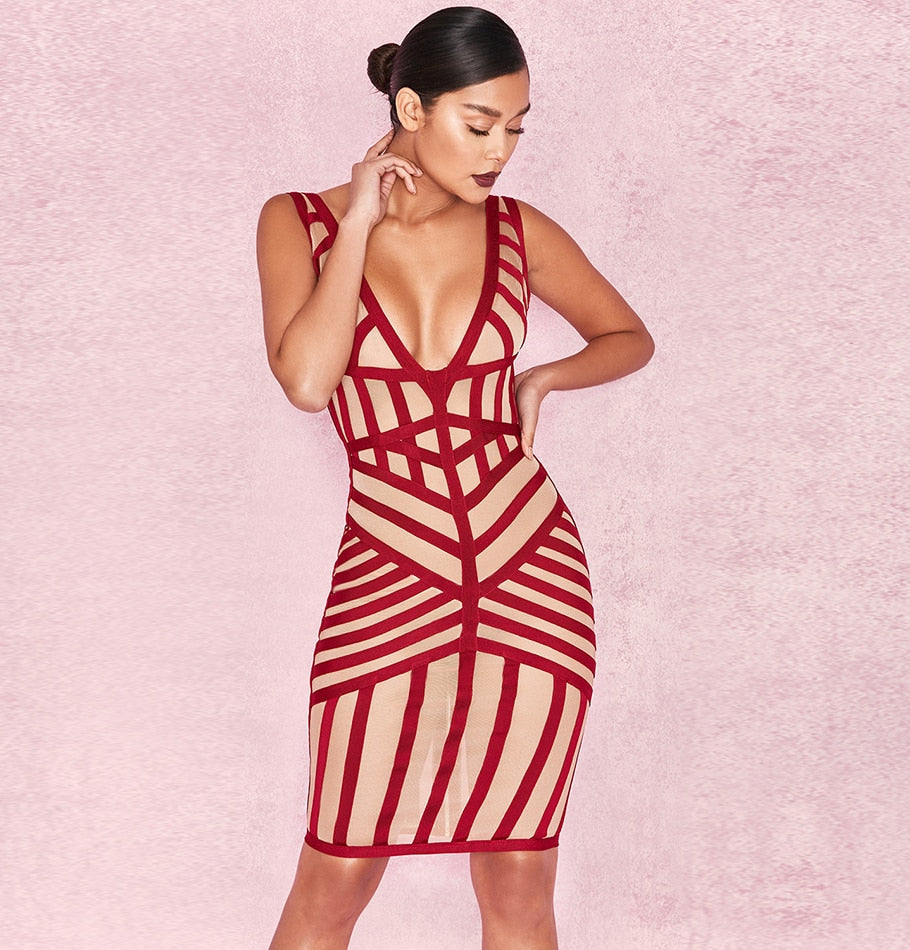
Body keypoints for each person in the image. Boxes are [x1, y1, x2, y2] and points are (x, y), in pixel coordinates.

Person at [256, 7, 654, 948]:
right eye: (479, 125)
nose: (499, 152)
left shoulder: (518, 229)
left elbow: (629, 336)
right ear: (411, 108)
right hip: (389, 569)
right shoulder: (298, 222)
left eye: (514, 128)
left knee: (518, 874)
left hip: (529, 566)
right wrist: (359, 220)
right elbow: (307, 382)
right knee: (337, 869)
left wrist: (543, 377)